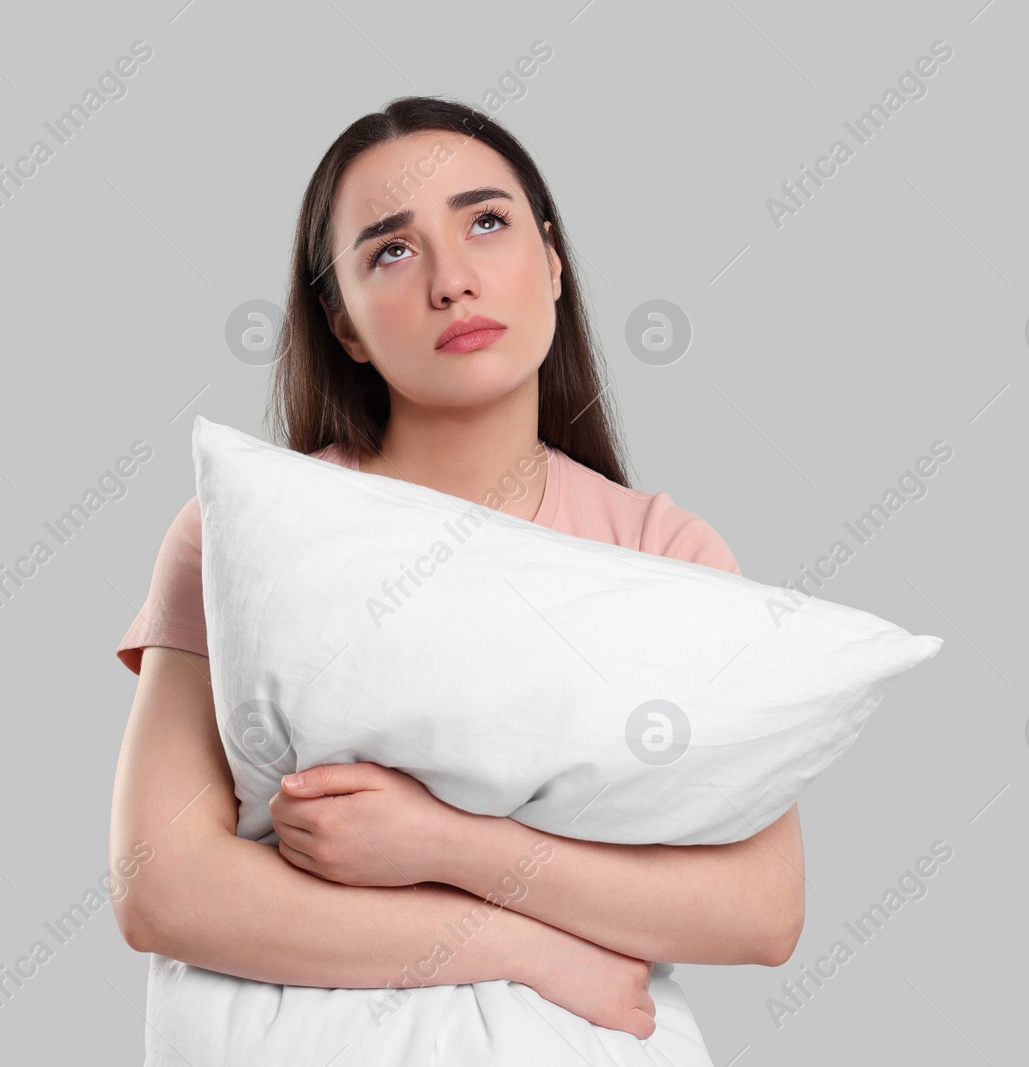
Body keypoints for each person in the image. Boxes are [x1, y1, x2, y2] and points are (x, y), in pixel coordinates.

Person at [107, 95, 804, 1060]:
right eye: (391, 250)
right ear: (342, 323)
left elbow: (761, 910)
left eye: (486, 222)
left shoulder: (662, 551)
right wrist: (522, 946)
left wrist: (441, 843)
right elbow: (162, 886)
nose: (452, 281)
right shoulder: (240, 533)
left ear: (553, 262)